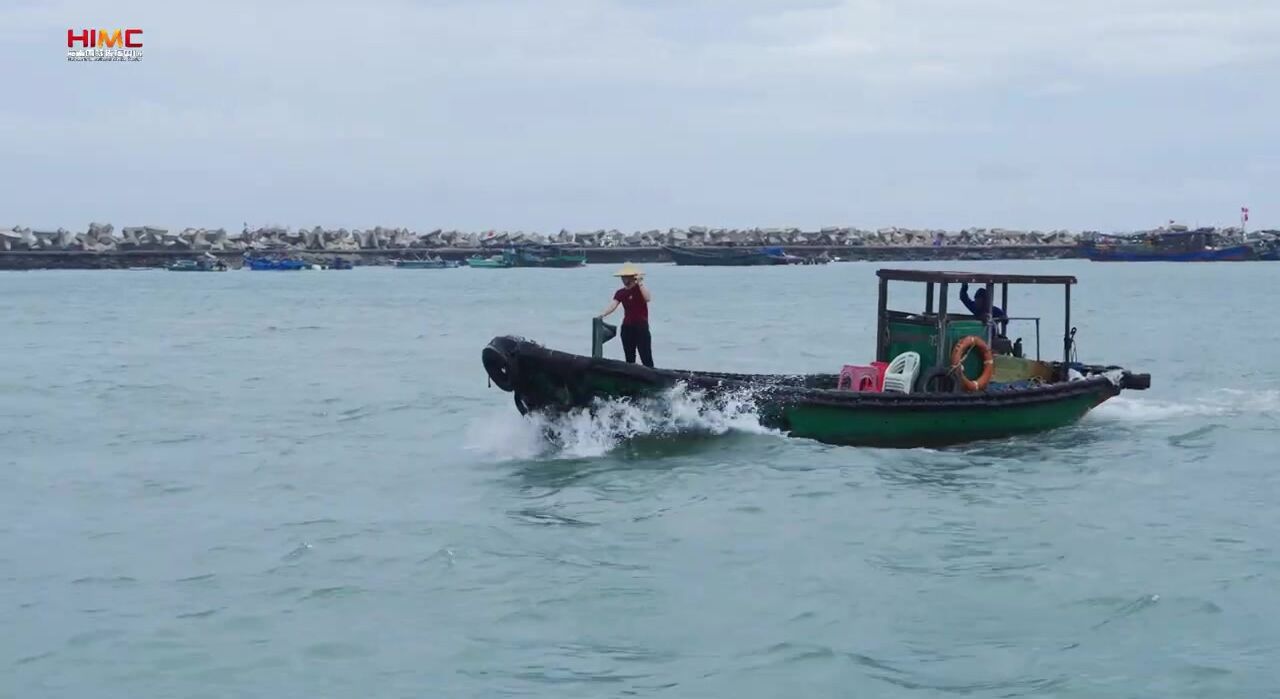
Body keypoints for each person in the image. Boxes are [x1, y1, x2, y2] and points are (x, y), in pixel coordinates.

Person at [597, 262, 653, 367]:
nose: (623, 279)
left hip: (641, 326)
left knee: (646, 356)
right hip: (627, 327)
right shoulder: (621, 292)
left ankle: (651, 374)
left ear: (632, 277)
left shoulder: (639, 289)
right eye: (622, 277)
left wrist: (640, 283)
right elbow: (613, 305)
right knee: (629, 357)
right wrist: (603, 314)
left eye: (626, 277)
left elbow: (647, 298)